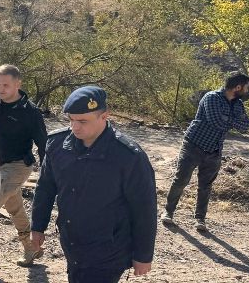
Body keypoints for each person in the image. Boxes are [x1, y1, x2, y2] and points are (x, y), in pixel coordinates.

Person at [30, 86, 157, 283]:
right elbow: (45, 188)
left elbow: (144, 209)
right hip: (72, 242)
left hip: (108, 248)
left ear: (104, 116)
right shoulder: (57, 145)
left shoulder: (128, 156)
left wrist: (143, 255)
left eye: (82, 121)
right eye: (71, 120)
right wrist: (37, 226)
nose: (75, 127)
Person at [161, 72, 249, 232]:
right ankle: (168, 212)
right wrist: (233, 122)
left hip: (215, 150)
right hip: (193, 145)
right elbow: (216, 122)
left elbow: (246, 126)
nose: (246, 90)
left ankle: (200, 219)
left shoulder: (238, 104)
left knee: (206, 186)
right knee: (181, 179)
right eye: (245, 87)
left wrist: (228, 119)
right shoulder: (211, 98)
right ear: (237, 87)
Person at [0, 64, 47, 268]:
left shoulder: (30, 112)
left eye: (6, 85)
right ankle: (31, 247)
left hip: (18, 165)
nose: (1, 89)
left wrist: (48, 174)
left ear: (18, 84)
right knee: (14, 207)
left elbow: (44, 144)